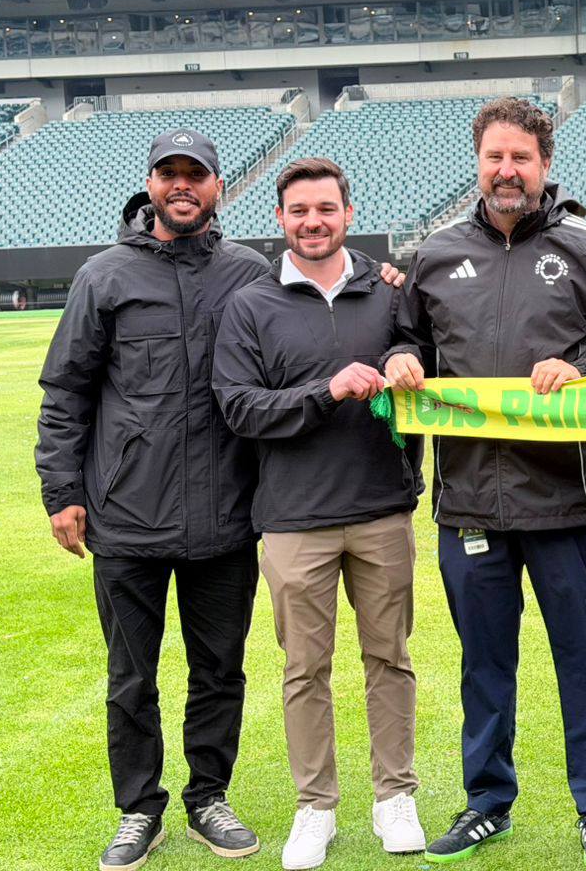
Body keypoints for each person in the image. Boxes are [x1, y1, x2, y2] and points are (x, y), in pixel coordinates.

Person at [383, 97, 586, 869]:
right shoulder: (434, 255)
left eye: (521, 158)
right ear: (479, 161)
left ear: (545, 165)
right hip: (468, 500)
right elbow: (408, 338)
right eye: (495, 157)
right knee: (484, 664)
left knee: (582, 658)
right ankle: (487, 802)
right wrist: (403, 359)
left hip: (569, 498)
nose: (507, 171)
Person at [35, 129, 265, 871]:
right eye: (170, 174)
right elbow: (66, 393)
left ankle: (209, 797)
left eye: (196, 175)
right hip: (126, 517)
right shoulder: (103, 277)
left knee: (219, 669)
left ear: (218, 186)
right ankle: (140, 808)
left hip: (227, 515)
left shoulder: (249, 274)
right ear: (150, 184)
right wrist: (62, 492)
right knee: (130, 677)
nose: (182, 186)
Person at [212, 158, 426, 870]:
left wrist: (402, 354)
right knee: (305, 669)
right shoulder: (250, 305)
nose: (313, 222)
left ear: (347, 211)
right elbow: (239, 407)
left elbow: (420, 347)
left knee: (388, 661)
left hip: (382, 511)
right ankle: (316, 808)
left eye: (326, 209)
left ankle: (395, 797)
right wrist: (327, 391)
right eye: (299, 210)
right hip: (294, 519)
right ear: (280, 219)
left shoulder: (387, 289)